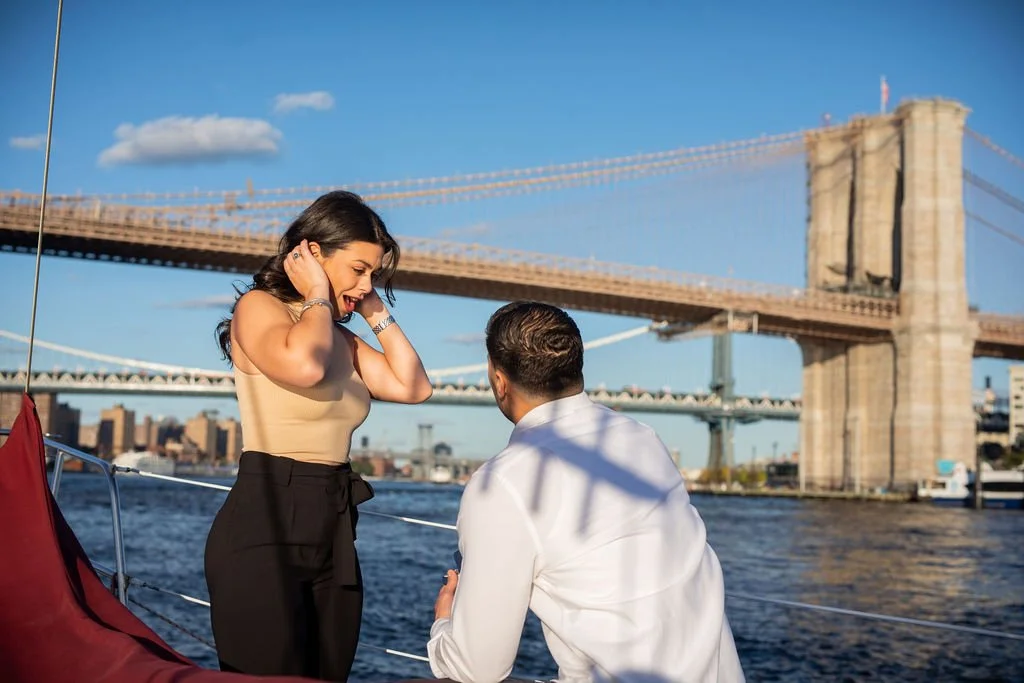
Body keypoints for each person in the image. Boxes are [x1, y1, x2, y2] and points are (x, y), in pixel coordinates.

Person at [427, 301, 745, 683]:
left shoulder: (503, 482)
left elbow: (477, 668)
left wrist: (444, 623)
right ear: (576, 368)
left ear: (499, 380)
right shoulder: (644, 440)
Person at [204, 190, 433, 681]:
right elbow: (305, 366)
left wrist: (371, 307)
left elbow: (414, 386)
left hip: (334, 527)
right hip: (266, 519)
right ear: (310, 254)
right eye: (358, 269)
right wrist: (317, 295)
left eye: (374, 272)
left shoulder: (339, 336)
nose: (368, 282)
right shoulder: (259, 308)